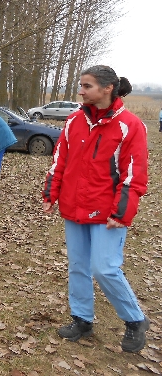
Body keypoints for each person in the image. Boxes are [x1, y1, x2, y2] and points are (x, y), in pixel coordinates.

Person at [42, 65, 149, 353]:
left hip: (108, 212)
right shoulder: (74, 120)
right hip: (74, 206)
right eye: (81, 85)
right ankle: (82, 319)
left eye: (87, 86)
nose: (81, 91)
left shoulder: (130, 125)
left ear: (107, 88)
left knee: (104, 268)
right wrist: (51, 192)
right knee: (78, 266)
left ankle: (135, 320)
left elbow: (133, 175)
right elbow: (60, 159)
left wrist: (121, 212)